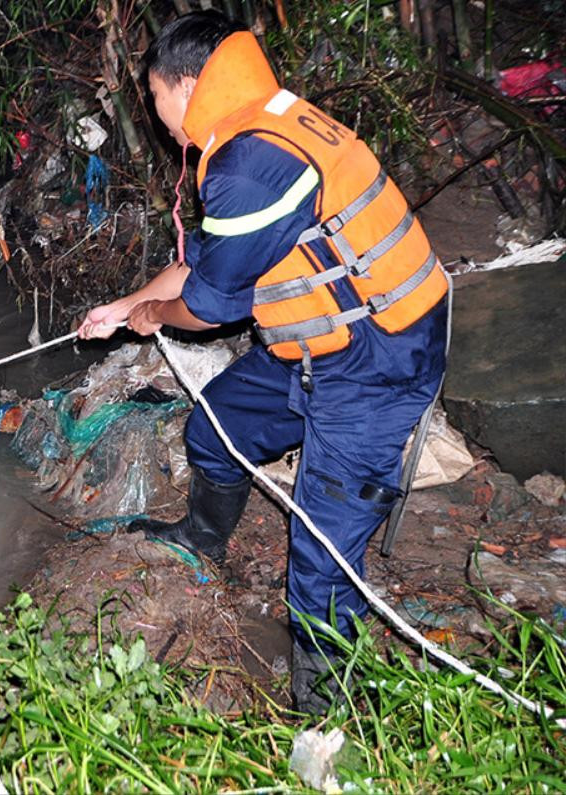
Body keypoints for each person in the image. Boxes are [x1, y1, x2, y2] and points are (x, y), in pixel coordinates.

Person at [78, 11, 449, 713]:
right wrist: (124, 307)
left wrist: (152, 318)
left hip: (380, 355)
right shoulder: (260, 119)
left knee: (321, 551)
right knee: (215, 428)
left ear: (185, 85)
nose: (155, 115)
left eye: (153, 96)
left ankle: (325, 704)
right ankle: (204, 537)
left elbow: (212, 305)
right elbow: (203, 264)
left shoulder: (249, 161)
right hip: (320, 339)